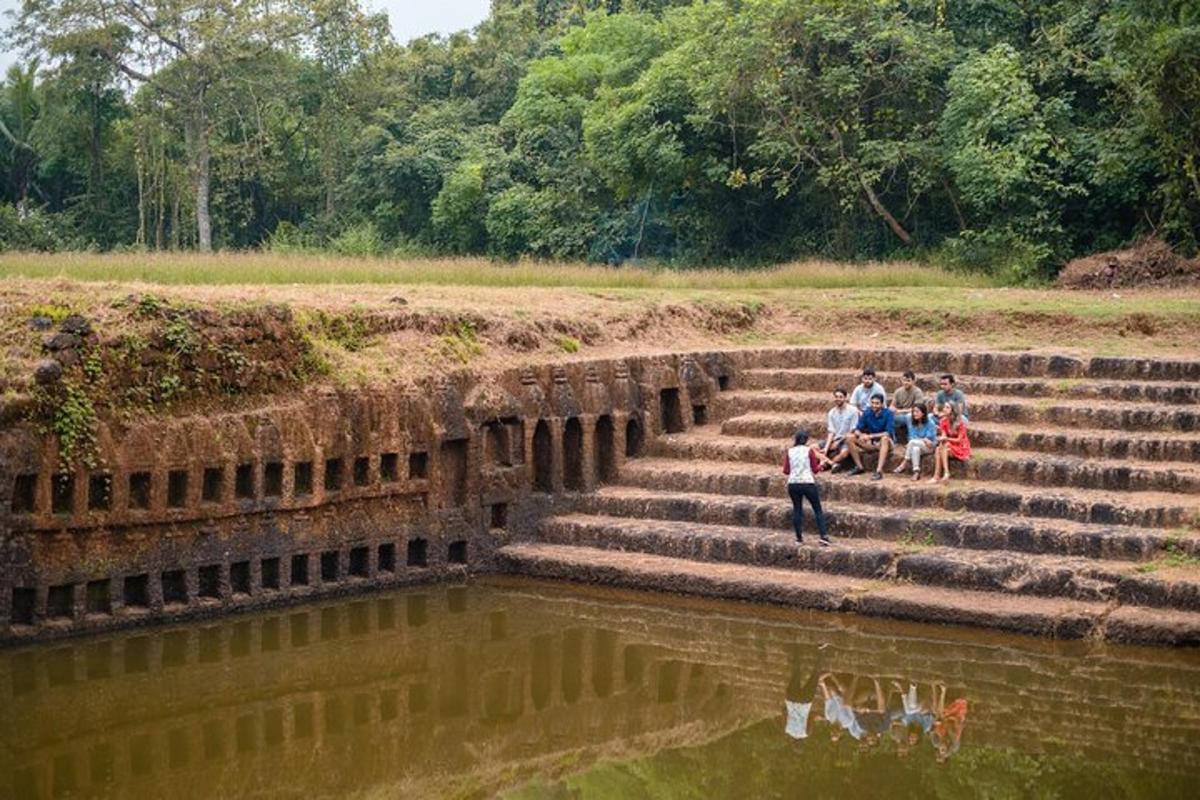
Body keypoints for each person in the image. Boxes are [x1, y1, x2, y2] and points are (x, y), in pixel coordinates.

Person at [783, 431, 833, 545]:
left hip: (793, 483)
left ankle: (799, 538)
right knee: (817, 509)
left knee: (797, 509)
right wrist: (822, 464)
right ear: (806, 440)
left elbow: (786, 471)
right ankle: (823, 536)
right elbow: (815, 469)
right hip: (807, 482)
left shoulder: (790, 451)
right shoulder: (809, 451)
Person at [847, 395, 895, 480]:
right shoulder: (867, 412)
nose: (874, 405)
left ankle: (879, 471)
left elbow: (888, 432)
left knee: (884, 438)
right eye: (872, 403)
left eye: (877, 403)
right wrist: (861, 435)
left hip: (885, 442)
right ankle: (859, 467)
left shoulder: (888, 413)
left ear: (882, 404)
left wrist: (870, 436)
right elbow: (857, 429)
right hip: (871, 443)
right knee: (849, 437)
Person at [893, 404, 938, 480]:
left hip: (929, 447)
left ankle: (904, 463)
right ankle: (916, 472)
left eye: (917, 412)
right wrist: (922, 439)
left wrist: (921, 440)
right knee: (915, 449)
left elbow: (929, 441)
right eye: (913, 411)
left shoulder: (930, 423)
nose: (914, 414)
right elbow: (912, 437)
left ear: (923, 413)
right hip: (917, 444)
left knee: (912, 442)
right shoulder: (912, 422)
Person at [930, 402, 971, 483]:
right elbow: (944, 437)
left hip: (961, 446)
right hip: (949, 446)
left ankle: (942, 474)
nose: (944, 409)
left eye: (947, 407)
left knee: (943, 446)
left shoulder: (960, 422)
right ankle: (939, 475)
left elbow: (959, 440)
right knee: (939, 448)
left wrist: (946, 439)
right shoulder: (943, 421)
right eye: (944, 407)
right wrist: (941, 439)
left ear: (953, 410)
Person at [822, 388, 859, 472]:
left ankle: (825, 464)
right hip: (835, 438)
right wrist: (826, 448)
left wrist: (838, 442)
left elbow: (852, 430)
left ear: (845, 398)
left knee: (844, 453)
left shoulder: (853, 411)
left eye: (840, 397)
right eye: (836, 397)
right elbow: (831, 432)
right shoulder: (831, 412)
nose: (838, 399)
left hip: (846, 439)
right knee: (813, 448)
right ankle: (832, 464)